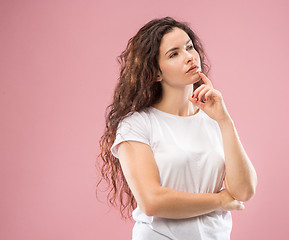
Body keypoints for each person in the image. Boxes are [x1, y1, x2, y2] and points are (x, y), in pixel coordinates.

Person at [97, 16, 258, 239]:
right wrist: (220, 200)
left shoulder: (213, 119)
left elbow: (244, 191)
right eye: (174, 54)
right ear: (155, 72)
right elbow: (152, 201)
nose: (189, 57)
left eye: (189, 47)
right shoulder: (136, 125)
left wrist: (224, 120)